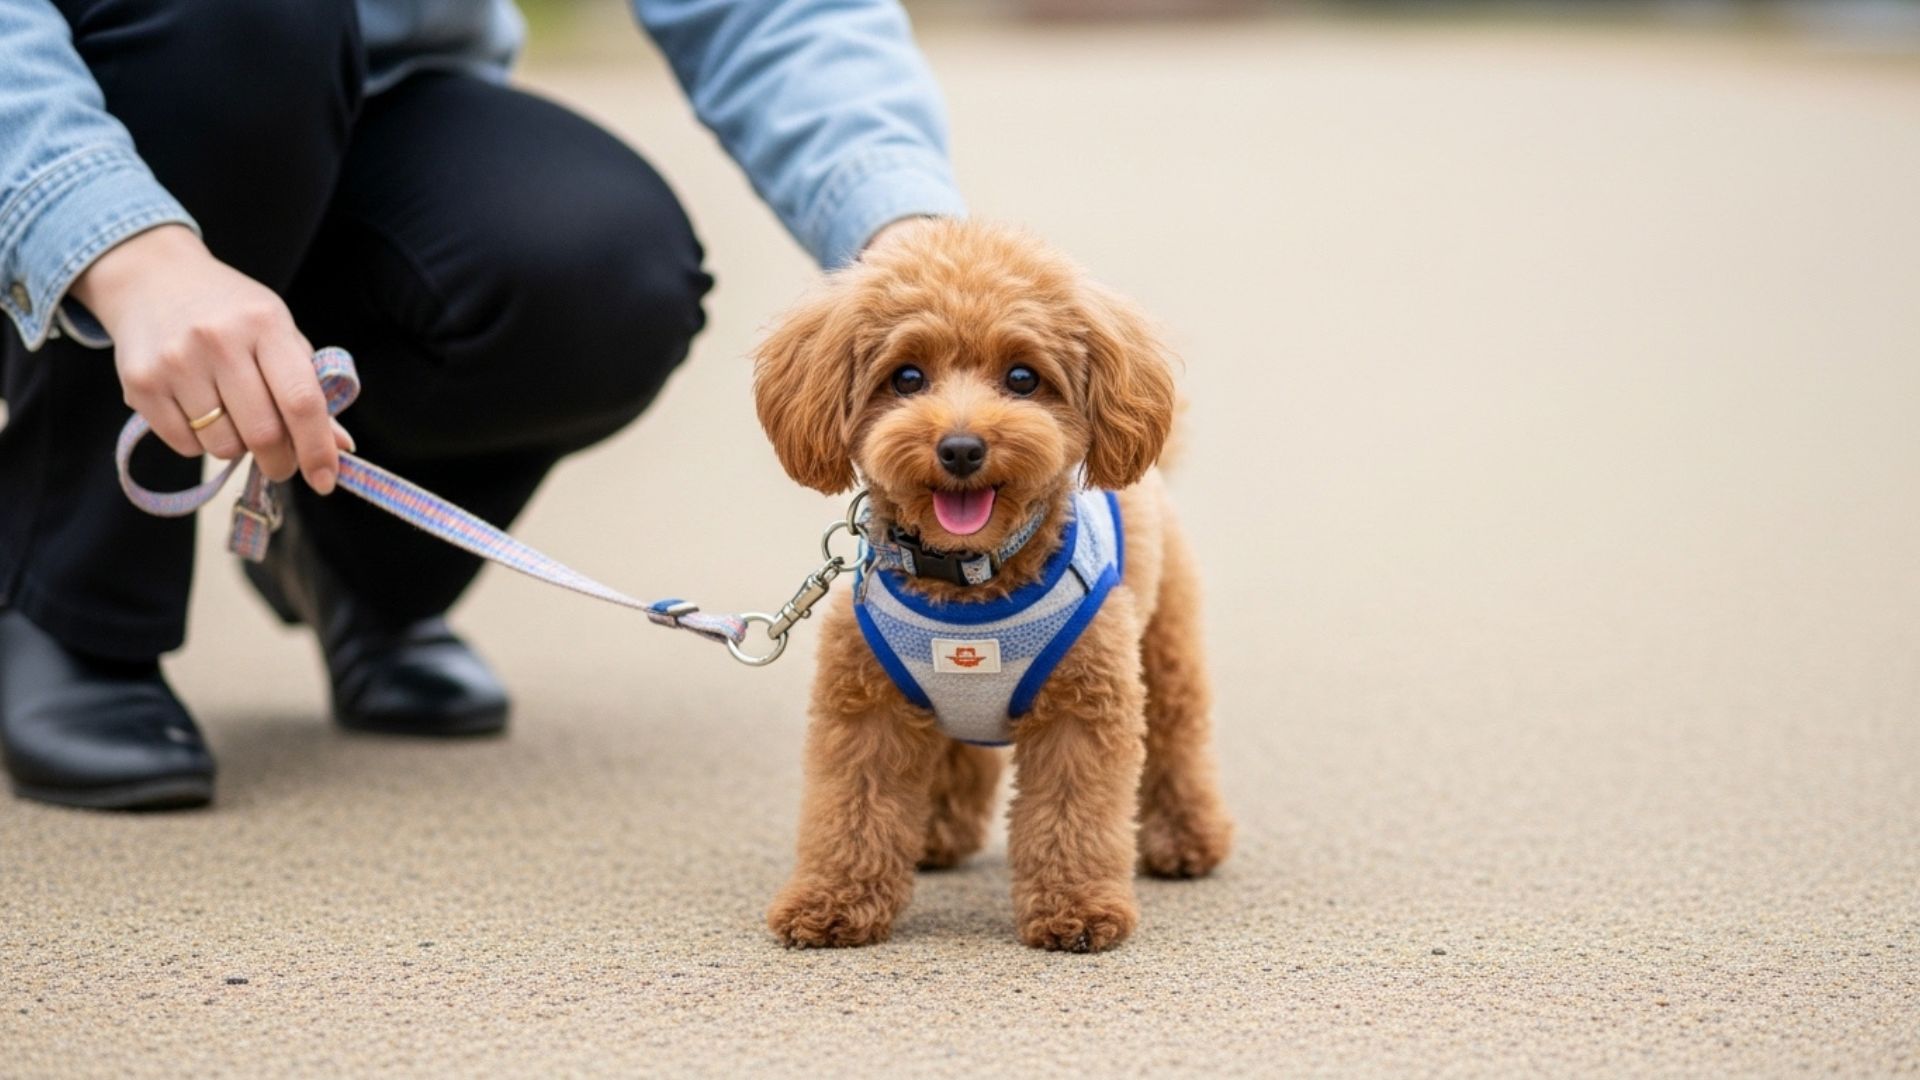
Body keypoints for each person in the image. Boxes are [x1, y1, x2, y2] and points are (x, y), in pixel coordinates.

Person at [0, 0, 965, 810]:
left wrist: (905, 232)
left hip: (388, 101)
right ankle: (73, 604)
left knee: (602, 267)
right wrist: (117, 245)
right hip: (91, 110)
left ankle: (359, 568)